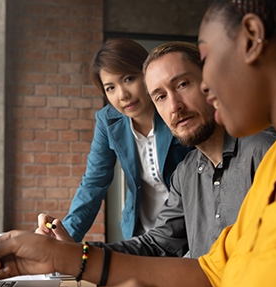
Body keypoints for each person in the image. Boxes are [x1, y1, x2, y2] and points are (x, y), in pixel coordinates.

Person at [0, 0, 276, 287]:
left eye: (199, 67)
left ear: (252, 38)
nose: (195, 92)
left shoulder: (271, 152)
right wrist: (64, 256)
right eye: (159, 96)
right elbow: (211, 274)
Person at [37, 41, 276, 260]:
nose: (174, 106)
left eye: (182, 84)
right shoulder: (187, 170)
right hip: (162, 230)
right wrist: (68, 244)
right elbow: (93, 183)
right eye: (160, 96)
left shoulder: (263, 151)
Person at [61, 38, 191, 241]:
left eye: (129, 78)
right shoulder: (108, 121)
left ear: (147, 73)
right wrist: (66, 237)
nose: (123, 95)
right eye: (110, 88)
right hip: (141, 233)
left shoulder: (177, 110)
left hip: (188, 229)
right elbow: (93, 183)